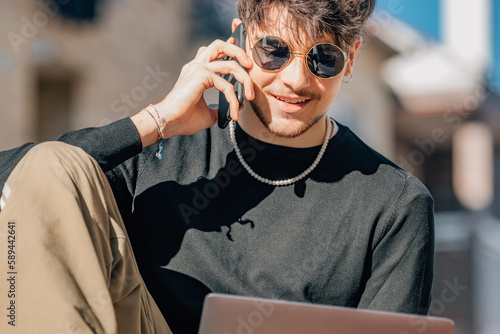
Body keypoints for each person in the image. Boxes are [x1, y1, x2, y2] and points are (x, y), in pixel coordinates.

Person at [0, 0, 435, 333]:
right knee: (53, 163)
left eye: (323, 59)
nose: (297, 80)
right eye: (274, 50)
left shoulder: (395, 204)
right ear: (240, 38)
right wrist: (159, 120)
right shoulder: (161, 150)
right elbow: (22, 184)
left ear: (352, 57)